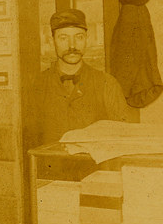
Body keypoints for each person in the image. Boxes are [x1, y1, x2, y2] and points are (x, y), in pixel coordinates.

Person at [32, 8, 131, 145]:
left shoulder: (107, 83)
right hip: (49, 165)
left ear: (87, 40)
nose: (72, 45)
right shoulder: (37, 84)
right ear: (51, 40)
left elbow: (122, 136)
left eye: (79, 37)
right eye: (63, 38)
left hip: (95, 166)